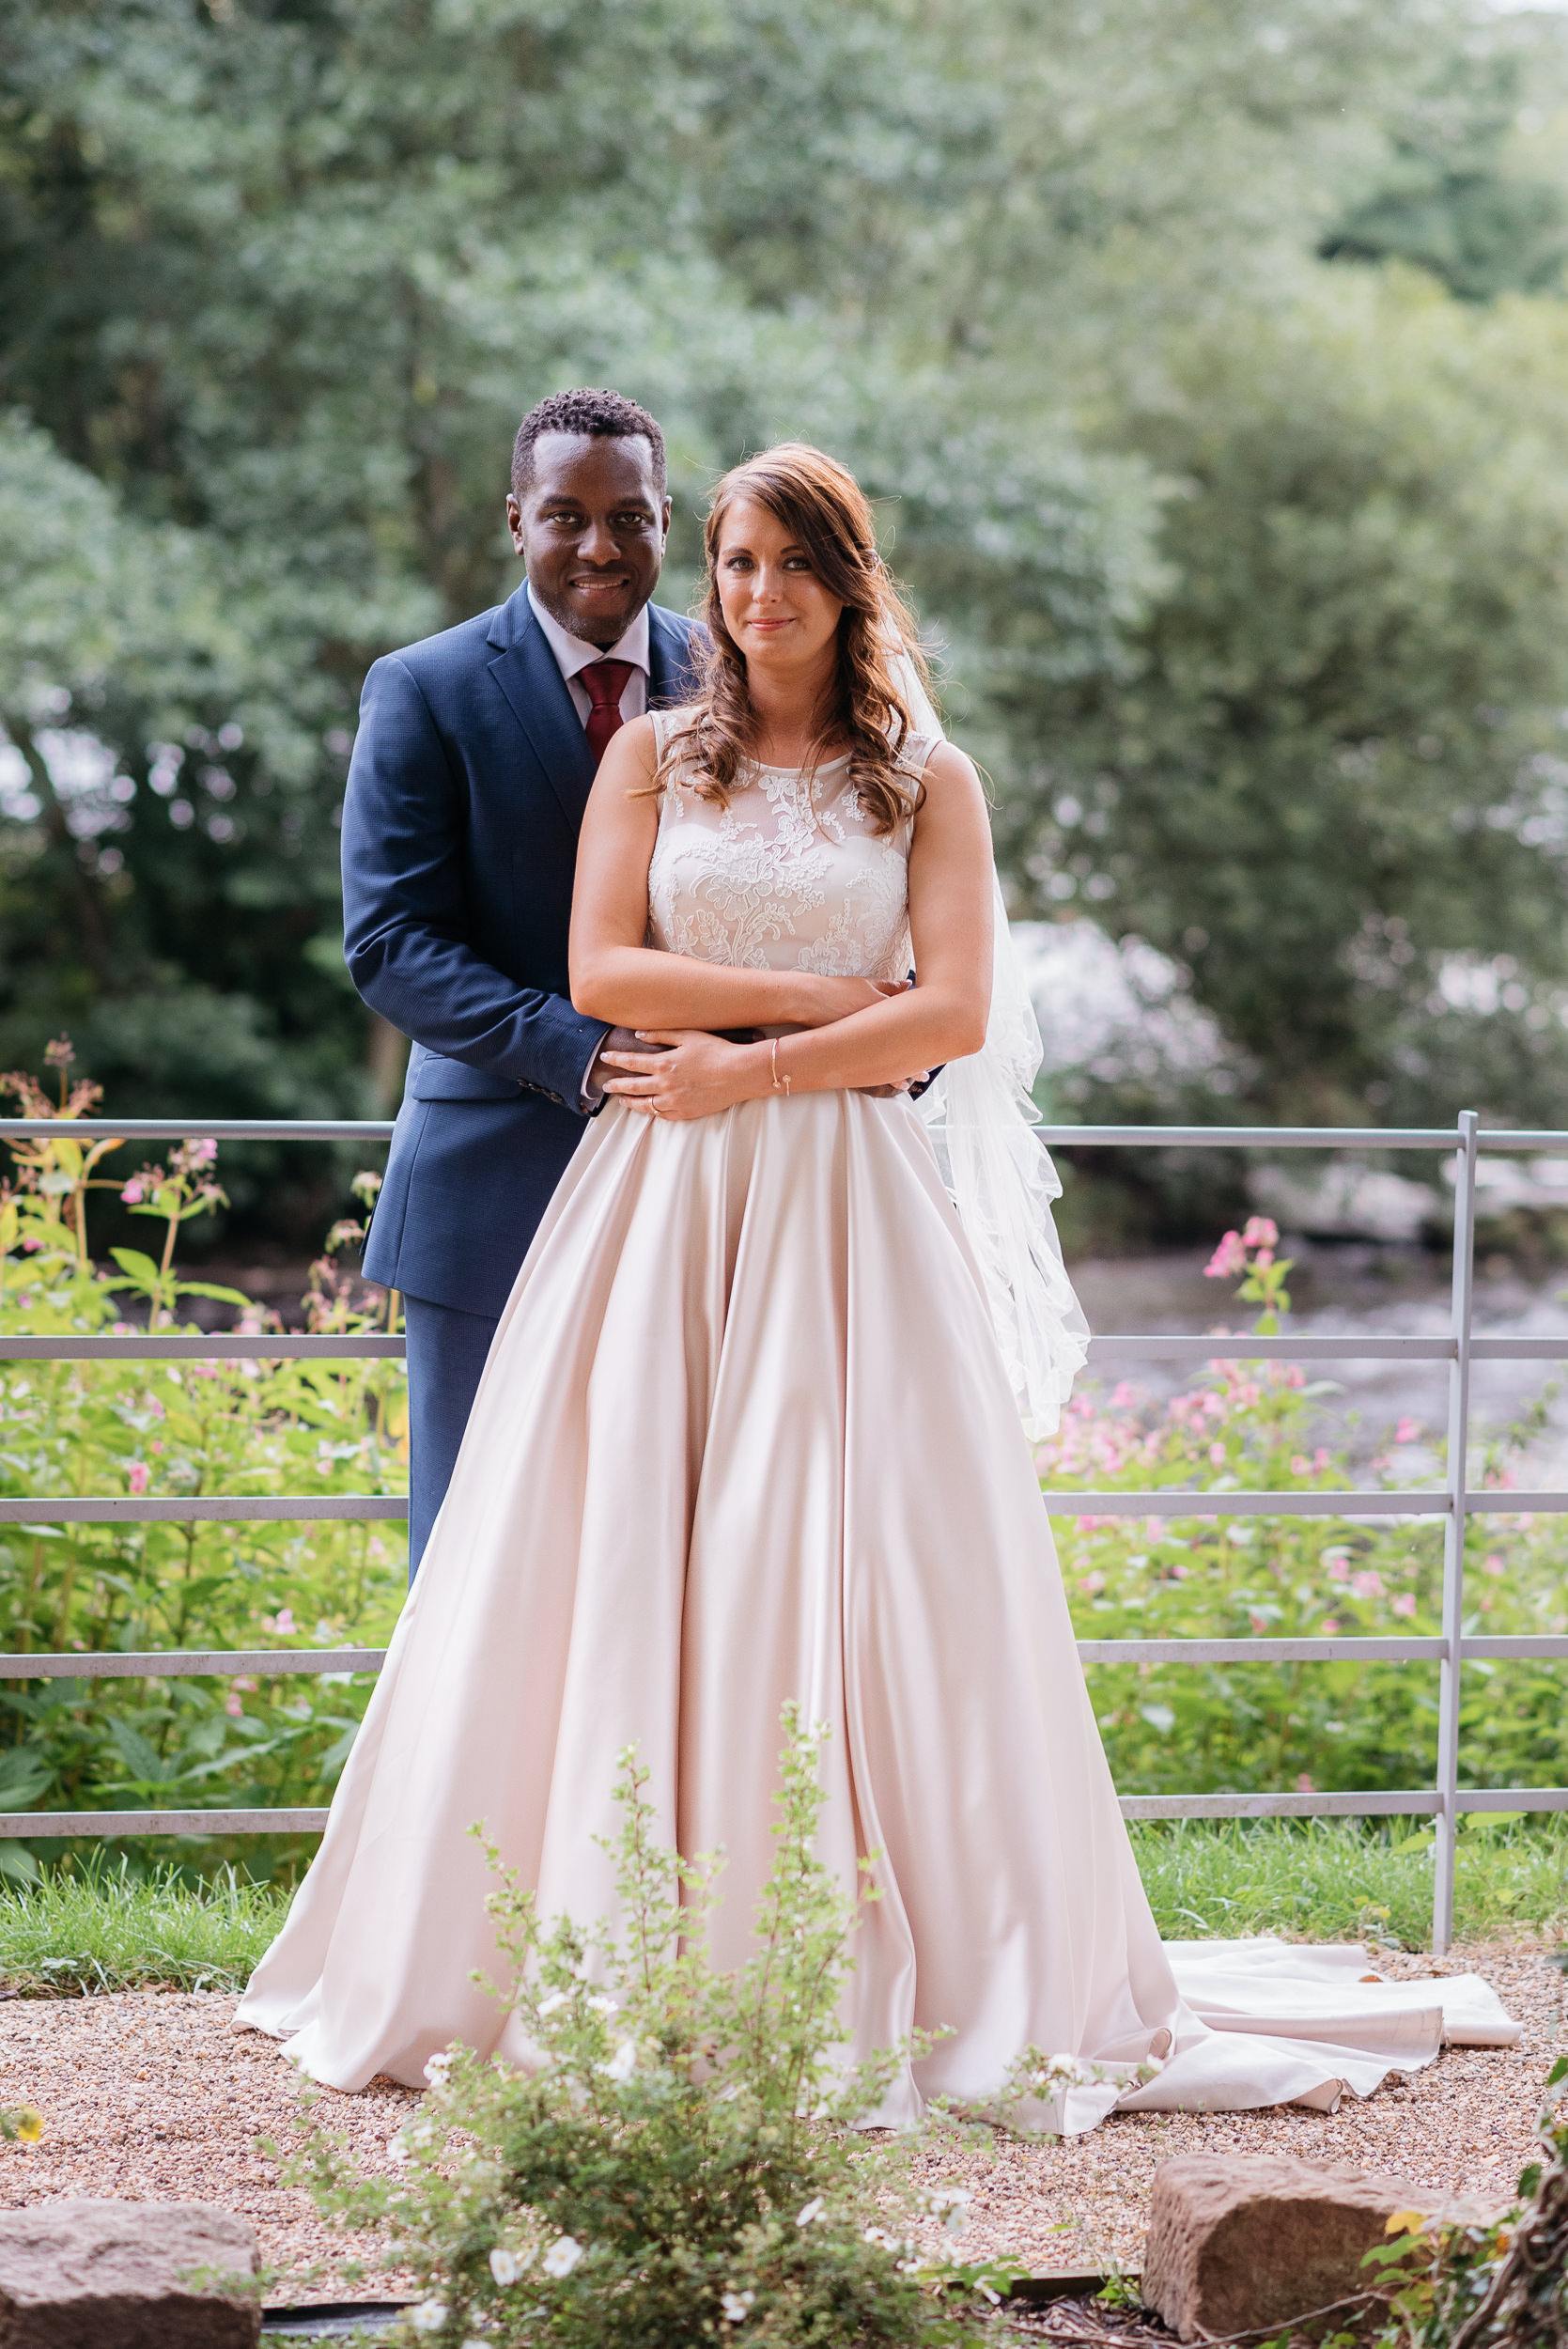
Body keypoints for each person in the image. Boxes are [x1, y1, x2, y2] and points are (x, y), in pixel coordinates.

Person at [239, 444, 1514, 2129]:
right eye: (735, 563)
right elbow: (598, 968)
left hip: (838, 1194)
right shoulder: (647, 754)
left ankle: (880, 1944)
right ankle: (608, 1938)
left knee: (854, 1547)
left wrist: (750, 1061)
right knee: (618, 1535)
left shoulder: (929, 780)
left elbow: (951, 1015)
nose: (753, 594)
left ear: (848, 581)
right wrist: (824, 993)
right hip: (658, 1198)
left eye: (787, 564)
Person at [342, 388, 701, 1574]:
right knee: (476, 1555)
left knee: (677, 1546)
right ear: (515, 520)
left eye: (630, 517)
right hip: (492, 1184)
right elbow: (390, 941)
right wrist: (583, 1052)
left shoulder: (744, 675)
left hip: (712, 1179)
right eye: (566, 516)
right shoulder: (425, 688)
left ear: (668, 519)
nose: (600, 546)